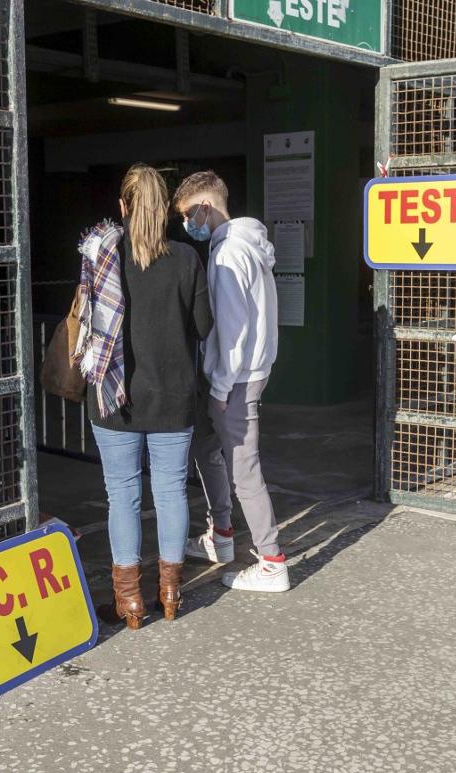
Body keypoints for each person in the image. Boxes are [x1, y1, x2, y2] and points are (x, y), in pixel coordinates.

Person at [80, 164, 212, 629]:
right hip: (174, 397)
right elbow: (203, 327)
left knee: (123, 495)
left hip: (116, 399)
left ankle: (130, 602)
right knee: (171, 491)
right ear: (165, 212)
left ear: (123, 208)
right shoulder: (186, 259)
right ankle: (171, 594)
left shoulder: (102, 257)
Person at [171, 171, 288, 593]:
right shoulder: (248, 246)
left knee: (245, 471)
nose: (187, 224)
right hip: (249, 373)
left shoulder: (225, 257)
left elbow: (232, 332)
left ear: (205, 207)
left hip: (235, 380)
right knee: (209, 448)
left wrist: (220, 389)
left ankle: (272, 561)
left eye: (188, 214)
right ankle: (222, 535)